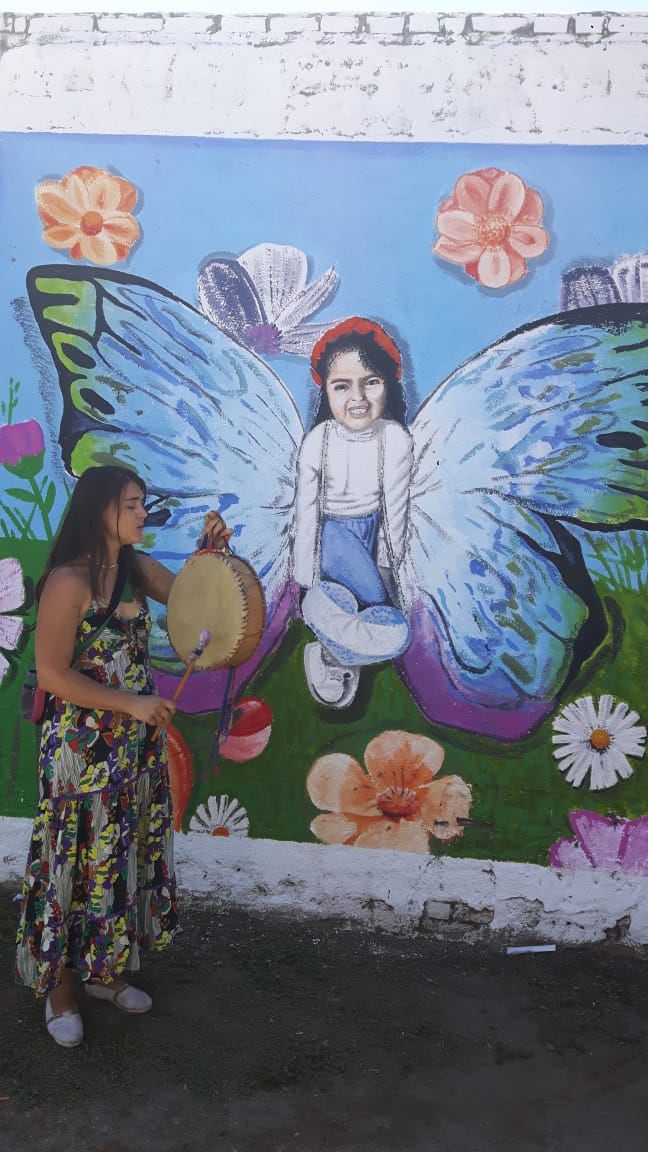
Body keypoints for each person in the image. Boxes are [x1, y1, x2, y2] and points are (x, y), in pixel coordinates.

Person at [15, 465, 231, 1047]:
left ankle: (105, 973)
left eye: (142, 503)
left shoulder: (133, 570)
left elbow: (191, 598)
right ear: (103, 510)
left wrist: (209, 554)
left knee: (119, 854)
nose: (142, 513)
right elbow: (56, 675)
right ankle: (60, 992)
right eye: (133, 504)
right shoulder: (69, 580)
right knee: (73, 863)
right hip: (79, 752)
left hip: (132, 750)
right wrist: (131, 704)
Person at [293, 318, 413, 708]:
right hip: (331, 536)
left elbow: (395, 510)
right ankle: (337, 647)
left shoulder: (394, 438)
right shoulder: (318, 442)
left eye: (370, 382)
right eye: (342, 386)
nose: (357, 397)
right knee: (375, 605)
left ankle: (334, 645)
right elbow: (307, 512)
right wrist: (306, 578)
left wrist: (391, 567)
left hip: (373, 530)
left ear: (387, 385)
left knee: (387, 613)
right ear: (326, 390)